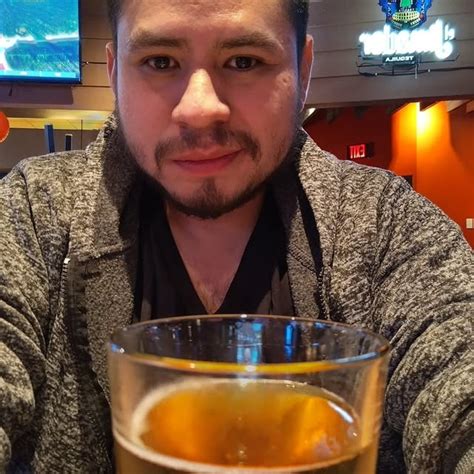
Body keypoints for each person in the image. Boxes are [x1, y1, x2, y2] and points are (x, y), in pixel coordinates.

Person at [0, 0, 472, 472]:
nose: (200, 110)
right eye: (159, 61)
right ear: (114, 72)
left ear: (304, 69)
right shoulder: (35, 212)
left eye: (244, 61)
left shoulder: (385, 222)